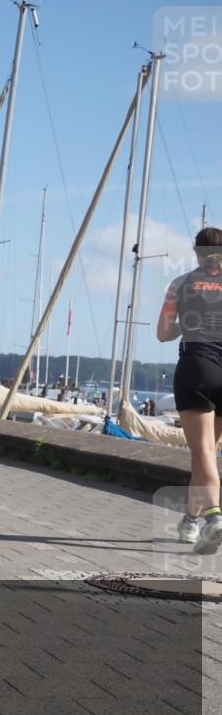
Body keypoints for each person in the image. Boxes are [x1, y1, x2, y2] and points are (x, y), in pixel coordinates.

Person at [157, 226, 222, 555]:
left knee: (202, 452)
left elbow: (163, 333)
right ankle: (190, 520)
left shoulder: (180, 283)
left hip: (198, 366)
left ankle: (214, 517)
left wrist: (190, 322)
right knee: (209, 451)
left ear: (196, 253)